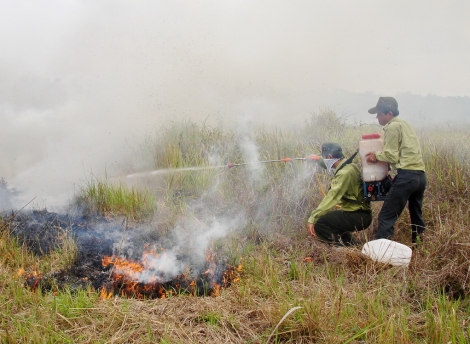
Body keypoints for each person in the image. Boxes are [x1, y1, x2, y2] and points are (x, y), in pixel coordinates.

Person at [365, 97, 426, 243]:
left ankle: (382, 254)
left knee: (386, 217)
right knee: (416, 214)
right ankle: (419, 246)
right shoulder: (405, 125)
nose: (377, 117)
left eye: (379, 114)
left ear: (389, 113)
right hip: (420, 176)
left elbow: (391, 156)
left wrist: (375, 155)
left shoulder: (392, 126)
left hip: (407, 177)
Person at [307, 143, 372, 246]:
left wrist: (313, 217)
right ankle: (352, 245)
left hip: (358, 216)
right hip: (363, 214)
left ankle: (341, 247)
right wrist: (317, 159)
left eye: (324, 157)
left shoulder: (343, 173)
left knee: (320, 222)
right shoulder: (349, 165)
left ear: (330, 157)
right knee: (334, 222)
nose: (324, 159)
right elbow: (330, 164)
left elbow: (332, 197)